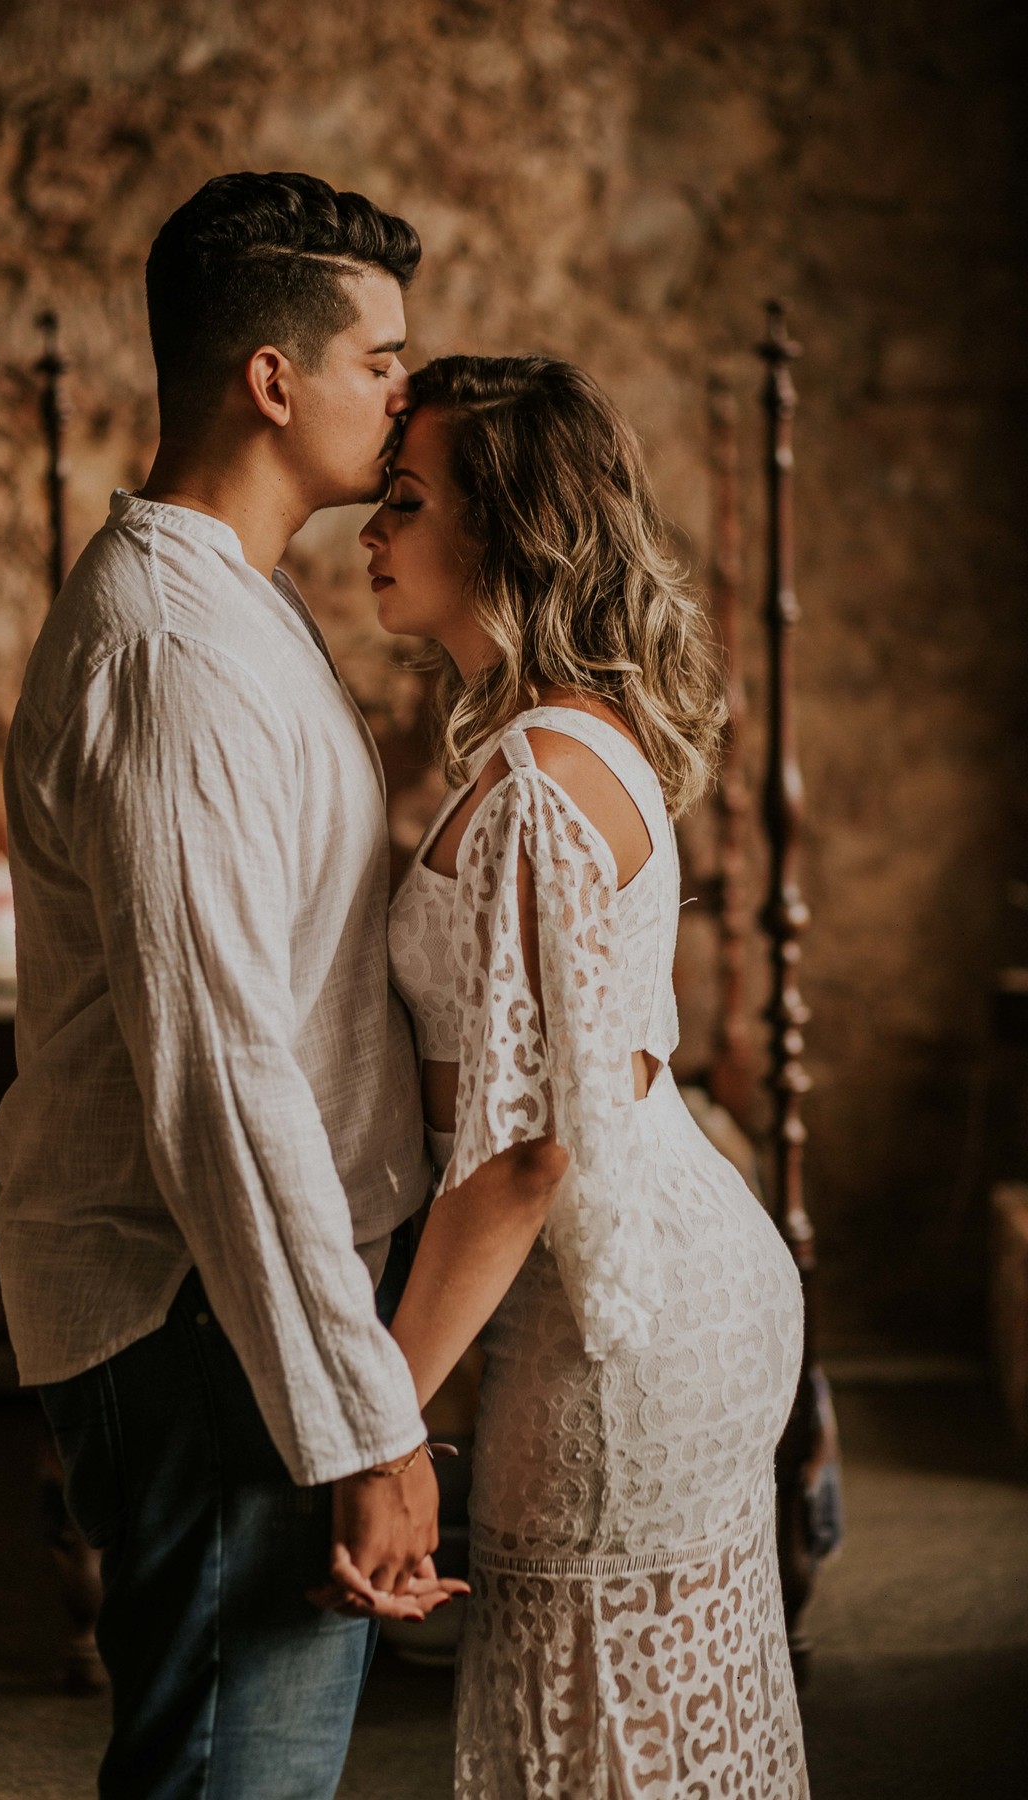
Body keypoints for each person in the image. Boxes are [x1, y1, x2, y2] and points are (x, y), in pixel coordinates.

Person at [0, 171, 464, 1800]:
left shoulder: (231, 606)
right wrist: (365, 1422)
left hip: (239, 1311)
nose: (406, 393)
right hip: (203, 1321)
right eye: (380, 358)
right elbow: (220, 1083)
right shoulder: (171, 653)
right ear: (274, 379)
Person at [365, 355, 810, 1797]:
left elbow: (523, 1154)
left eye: (405, 499)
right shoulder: (565, 731)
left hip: (620, 1336)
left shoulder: (537, 786)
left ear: (499, 528)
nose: (369, 529)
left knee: (596, 1755)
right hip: (665, 1286)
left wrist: (379, 1431)